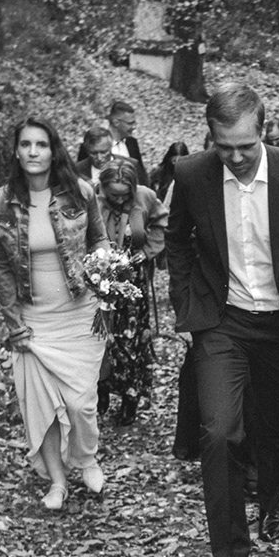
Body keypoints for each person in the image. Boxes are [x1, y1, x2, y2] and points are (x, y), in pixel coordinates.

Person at [165, 83, 279, 557]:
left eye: (246, 145)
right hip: (223, 323)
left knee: (274, 424)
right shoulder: (191, 174)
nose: (236, 157)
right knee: (219, 431)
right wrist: (188, 306)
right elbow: (176, 240)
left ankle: (271, 502)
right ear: (210, 137)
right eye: (225, 147)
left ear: (263, 130)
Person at [0, 115, 111, 510]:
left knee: (81, 402)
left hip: (78, 312)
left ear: (53, 151)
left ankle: (87, 457)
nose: (33, 152)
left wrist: (105, 268)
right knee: (42, 406)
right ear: (16, 151)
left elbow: (99, 238)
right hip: (34, 318)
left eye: (41, 144)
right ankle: (57, 481)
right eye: (26, 145)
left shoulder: (81, 192)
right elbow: (1, 266)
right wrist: (13, 323)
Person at [95, 160, 169, 426]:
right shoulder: (92, 199)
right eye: (112, 194)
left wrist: (147, 252)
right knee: (101, 337)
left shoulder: (145, 197)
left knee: (130, 341)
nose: (118, 199)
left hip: (133, 283)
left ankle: (130, 397)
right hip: (100, 281)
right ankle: (100, 389)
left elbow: (163, 224)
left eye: (124, 195)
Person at [107, 99, 143, 165]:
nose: (134, 127)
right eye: (130, 123)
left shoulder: (132, 143)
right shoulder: (98, 144)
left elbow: (139, 170)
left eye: (134, 123)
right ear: (116, 122)